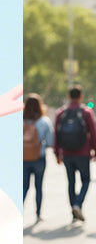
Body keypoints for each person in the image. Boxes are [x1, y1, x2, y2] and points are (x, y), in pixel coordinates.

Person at [54, 85, 96, 223]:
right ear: (81, 96)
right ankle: (77, 204)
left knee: (71, 182)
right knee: (86, 180)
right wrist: (95, 150)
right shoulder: (86, 111)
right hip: (83, 152)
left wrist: (57, 152)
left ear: (68, 96)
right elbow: (93, 132)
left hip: (66, 153)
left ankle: (74, 213)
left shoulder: (61, 112)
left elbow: (56, 133)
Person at [22, 93, 54, 223]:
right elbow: (50, 141)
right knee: (38, 187)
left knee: (24, 187)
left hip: (23, 158)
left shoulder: (19, 120)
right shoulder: (44, 121)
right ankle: (38, 214)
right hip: (39, 158)